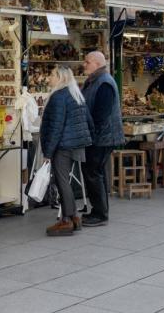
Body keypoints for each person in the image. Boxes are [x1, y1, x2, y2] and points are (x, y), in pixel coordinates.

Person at [39, 67, 93, 236]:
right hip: (75, 143)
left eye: (51, 75)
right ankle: (73, 217)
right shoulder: (75, 95)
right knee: (64, 181)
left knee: (62, 181)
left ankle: (67, 220)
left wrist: (48, 153)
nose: (49, 78)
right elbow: (88, 120)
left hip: (63, 145)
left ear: (60, 77)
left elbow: (56, 127)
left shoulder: (58, 96)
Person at [80, 51, 124, 227]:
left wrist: (91, 133)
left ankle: (100, 214)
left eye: (87, 62)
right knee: (95, 173)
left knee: (93, 173)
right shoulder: (94, 81)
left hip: (102, 137)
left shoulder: (104, 82)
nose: (84, 64)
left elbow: (101, 114)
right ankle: (99, 210)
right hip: (98, 136)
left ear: (97, 64)